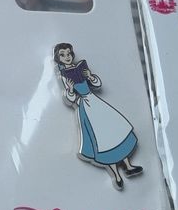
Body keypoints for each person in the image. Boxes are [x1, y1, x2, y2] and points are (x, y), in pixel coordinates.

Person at [53, 43, 142, 189]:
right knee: (103, 139)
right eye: (62, 55)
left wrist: (90, 76)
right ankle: (116, 175)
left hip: (96, 102)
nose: (67, 57)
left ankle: (128, 165)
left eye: (68, 53)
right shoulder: (64, 75)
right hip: (86, 106)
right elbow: (70, 99)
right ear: (58, 58)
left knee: (115, 131)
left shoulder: (80, 68)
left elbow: (97, 83)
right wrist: (70, 89)